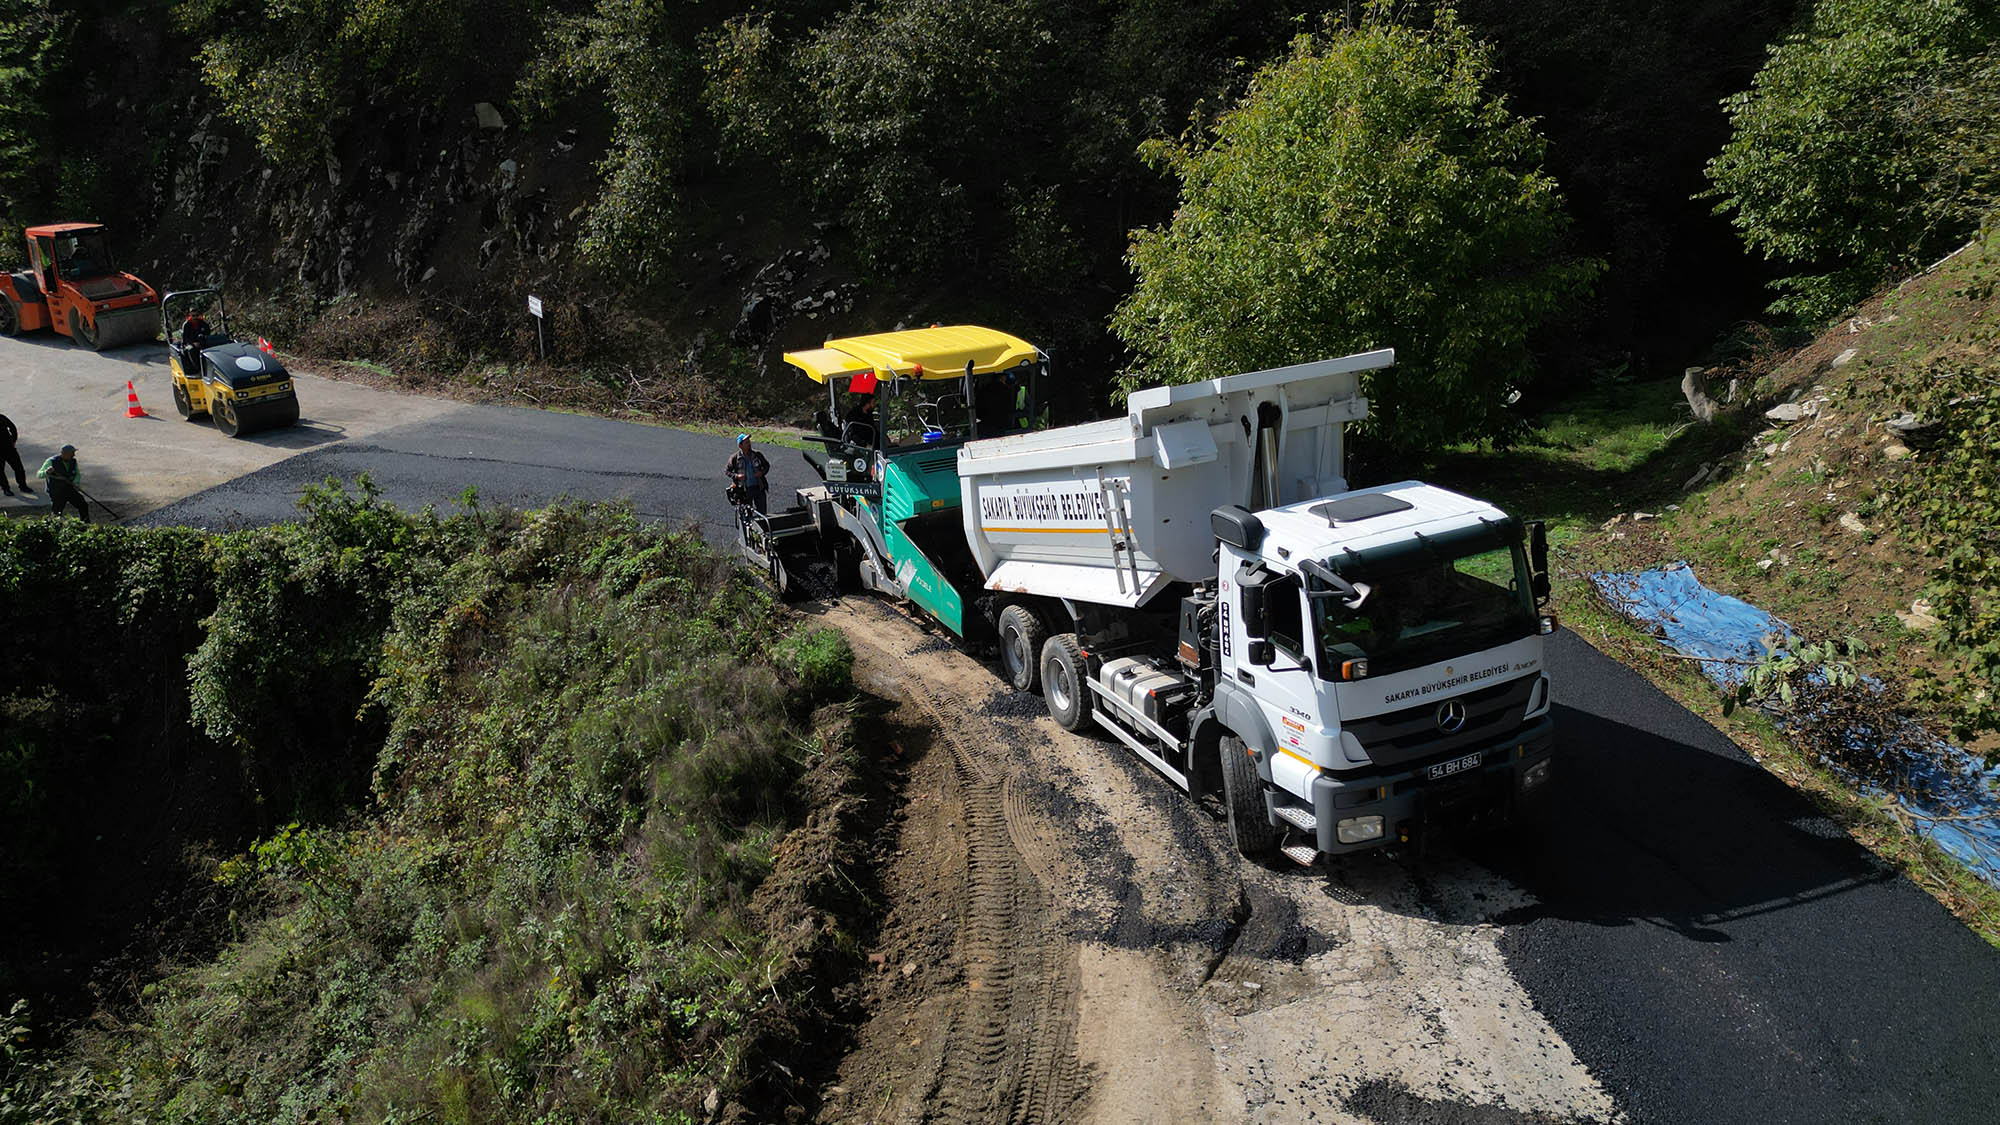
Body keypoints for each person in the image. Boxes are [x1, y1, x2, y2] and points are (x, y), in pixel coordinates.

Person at [37, 443, 87, 521]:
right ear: (65, 454)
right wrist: (46, 472)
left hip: (69, 488)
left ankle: (85, 522)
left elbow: (77, 474)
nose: (74, 455)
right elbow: (39, 475)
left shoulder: (73, 461)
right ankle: (55, 526)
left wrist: (76, 483)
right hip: (56, 491)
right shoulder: (51, 461)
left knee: (83, 504)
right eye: (72, 453)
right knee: (57, 511)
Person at [725, 433, 771, 514]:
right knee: (747, 515)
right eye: (746, 442)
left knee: (762, 513)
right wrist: (737, 476)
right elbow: (727, 471)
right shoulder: (735, 458)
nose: (749, 444)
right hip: (744, 491)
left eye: (749, 442)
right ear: (740, 445)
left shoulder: (757, 455)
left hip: (759, 488)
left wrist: (762, 473)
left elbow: (766, 465)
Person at [0, 413, 32, 497]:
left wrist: (13, 440)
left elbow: (12, 428)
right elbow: (12, 428)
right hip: (7, 448)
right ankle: (6, 489)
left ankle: (23, 486)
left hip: (9, 448)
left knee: (19, 468)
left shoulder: (1, 417)